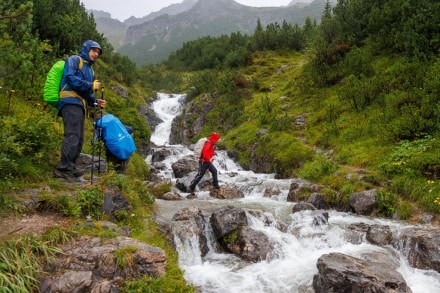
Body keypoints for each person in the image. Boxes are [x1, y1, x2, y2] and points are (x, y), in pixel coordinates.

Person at [53, 40, 106, 181]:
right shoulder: (74, 60)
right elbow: (70, 78)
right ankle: (63, 168)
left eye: (98, 53)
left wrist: (95, 101)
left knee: (79, 137)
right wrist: (90, 85)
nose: (96, 54)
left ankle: (70, 166)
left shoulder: (90, 70)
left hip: (80, 105)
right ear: (86, 49)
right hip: (70, 101)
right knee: (72, 135)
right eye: (93, 50)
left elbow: (87, 94)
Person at [188, 132, 221, 198]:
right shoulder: (208, 143)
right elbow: (204, 152)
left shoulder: (211, 143)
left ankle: (216, 186)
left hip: (207, 162)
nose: (217, 141)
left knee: (214, 171)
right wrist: (209, 159)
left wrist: (211, 156)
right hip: (204, 162)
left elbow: (208, 152)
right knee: (200, 175)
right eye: (217, 139)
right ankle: (192, 186)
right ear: (214, 139)